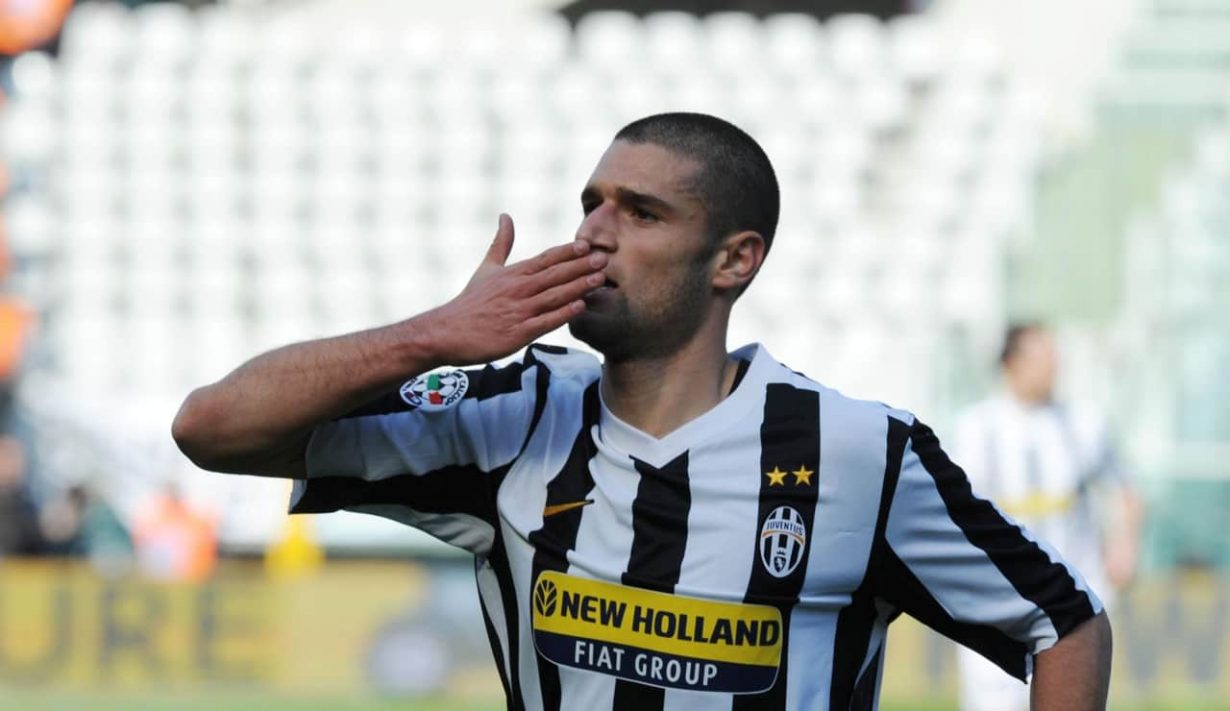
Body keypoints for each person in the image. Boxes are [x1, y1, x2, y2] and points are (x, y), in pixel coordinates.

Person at [173, 113, 1112, 710]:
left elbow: (1062, 624)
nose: (592, 231)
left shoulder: (859, 452)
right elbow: (211, 426)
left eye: (640, 212)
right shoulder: (513, 412)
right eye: (590, 204)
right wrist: (433, 334)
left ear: (733, 261)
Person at [951, 323, 1142, 711]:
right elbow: (957, 508)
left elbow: (1125, 490)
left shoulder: (1085, 422)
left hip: (1076, 602)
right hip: (997, 603)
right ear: (1011, 363)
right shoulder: (977, 428)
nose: (1054, 365)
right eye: (1042, 356)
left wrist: (1125, 547)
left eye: (1055, 355)